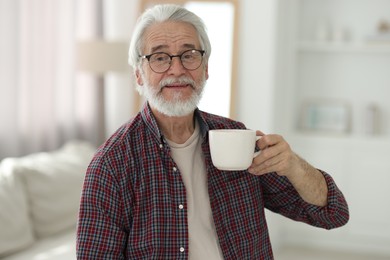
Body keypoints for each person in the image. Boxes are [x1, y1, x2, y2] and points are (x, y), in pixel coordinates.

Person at [76, 4, 349, 259]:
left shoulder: (238, 137)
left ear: (205, 68)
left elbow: (332, 214)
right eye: (160, 57)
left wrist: (293, 165)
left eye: (189, 55)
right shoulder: (111, 165)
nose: (177, 69)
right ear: (139, 74)